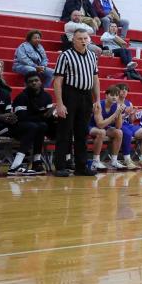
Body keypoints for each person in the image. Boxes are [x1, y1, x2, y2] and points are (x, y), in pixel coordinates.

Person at [52, 29, 101, 177]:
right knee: (65, 131)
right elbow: (57, 81)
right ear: (73, 40)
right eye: (80, 38)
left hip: (86, 96)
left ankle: (81, 166)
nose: (83, 41)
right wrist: (60, 104)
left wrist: (97, 99)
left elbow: (95, 79)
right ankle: (60, 166)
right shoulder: (65, 56)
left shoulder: (92, 56)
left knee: (82, 132)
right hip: (70, 94)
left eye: (85, 38)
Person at [9, 73, 52, 175]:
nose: (34, 83)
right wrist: (42, 116)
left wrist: (50, 116)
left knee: (42, 126)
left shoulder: (47, 97)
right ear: (26, 84)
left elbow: (47, 117)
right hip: (17, 128)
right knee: (34, 126)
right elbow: (21, 118)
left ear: (41, 82)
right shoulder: (21, 97)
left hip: (37, 127)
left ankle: (37, 162)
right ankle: (15, 165)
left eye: (36, 80)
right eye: (30, 81)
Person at [115, 84, 142, 168]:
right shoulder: (114, 102)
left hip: (127, 124)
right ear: (117, 91)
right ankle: (127, 159)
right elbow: (113, 119)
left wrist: (132, 114)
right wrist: (125, 114)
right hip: (117, 125)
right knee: (128, 133)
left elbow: (131, 121)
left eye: (126, 89)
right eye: (122, 89)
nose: (124, 91)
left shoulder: (129, 103)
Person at [89, 88, 127, 172]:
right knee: (101, 132)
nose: (114, 97)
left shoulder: (116, 106)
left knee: (119, 132)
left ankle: (114, 160)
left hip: (104, 127)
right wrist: (115, 114)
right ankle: (95, 161)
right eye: (112, 95)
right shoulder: (98, 105)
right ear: (106, 95)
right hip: (90, 126)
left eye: (116, 95)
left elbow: (118, 126)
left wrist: (119, 113)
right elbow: (100, 125)